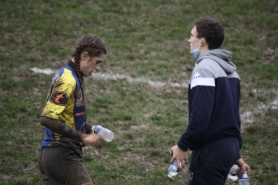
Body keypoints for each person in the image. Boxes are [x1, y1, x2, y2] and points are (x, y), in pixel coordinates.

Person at [170, 17, 250, 184]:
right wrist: (234, 153)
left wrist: (182, 145)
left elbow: (201, 116)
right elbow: (234, 117)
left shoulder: (204, 68)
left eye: (192, 35)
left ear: (202, 41)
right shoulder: (232, 72)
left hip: (211, 151)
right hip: (229, 147)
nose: (189, 40)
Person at [38, 34, 107, 185]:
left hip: (58, 153)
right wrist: (83, 137)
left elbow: (68, 116)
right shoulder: (68, 80)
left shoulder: (74, 76)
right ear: (85, 55)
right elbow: (47, 118)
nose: (97, 68)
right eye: (97, 62)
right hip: (60, 153)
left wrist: (89, 130)